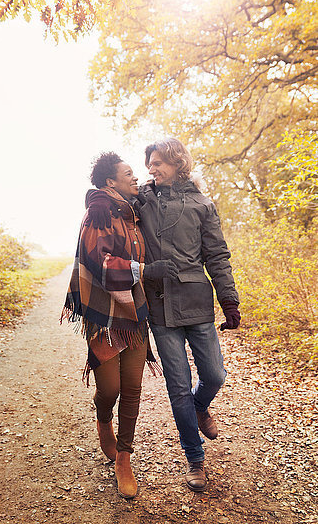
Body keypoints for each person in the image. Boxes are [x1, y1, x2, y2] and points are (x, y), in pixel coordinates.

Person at [86, 138, 241, 492]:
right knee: (177, 387)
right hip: (159, 308)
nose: (151, 170)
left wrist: (229, 300)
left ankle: (202, 406)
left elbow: (217, 256)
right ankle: (195, 460)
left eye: (158, 163)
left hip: (198, 303)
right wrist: (94, 197)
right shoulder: (143, 201)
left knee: (215, 375)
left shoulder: (204, 205)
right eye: (149, 164)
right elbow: (107, 200)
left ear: (178, 163)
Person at [61, 152, 178, 499]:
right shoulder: (98, 212)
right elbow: (99, 260)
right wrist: (144, 270)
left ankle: (124, 458)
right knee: (109, 389)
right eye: (129, 173)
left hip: (135, 311)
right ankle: (102, 419)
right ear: (110, 181)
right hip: (105, 313)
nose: (136, 178)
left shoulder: (132, 214)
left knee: (132, 389)